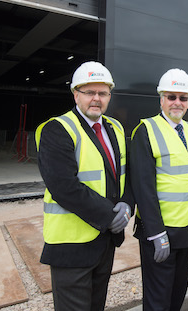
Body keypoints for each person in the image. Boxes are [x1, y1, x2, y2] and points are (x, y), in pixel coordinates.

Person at [35, 61, 133, 311]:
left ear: (109, 96)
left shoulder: (115, 128)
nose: (96, 99)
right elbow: (63, 186)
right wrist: (108, 215)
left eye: (102, 93)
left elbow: (125, 173)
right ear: (75, 93)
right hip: (71, 246)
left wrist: (128, 203)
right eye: (89, 92)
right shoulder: (57, 129)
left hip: (104, 242)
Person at [130, 68, 188, 311]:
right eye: (171, 97)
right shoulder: (145, 131)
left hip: (185, 229)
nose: (177, 103)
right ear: (161, 98)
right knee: (158, 299)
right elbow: (143, 187)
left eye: (183, 98)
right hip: (160, 233)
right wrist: (155, 233)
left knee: (177, 294)